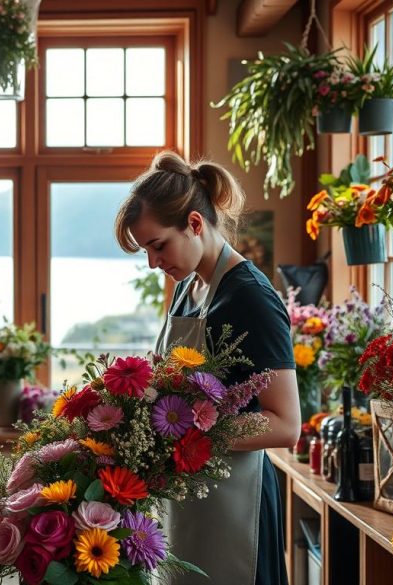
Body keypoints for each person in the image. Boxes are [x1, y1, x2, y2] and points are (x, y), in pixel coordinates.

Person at [114, 151, 300, 585]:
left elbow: (287, 424)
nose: (153, 263)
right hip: (191, 504)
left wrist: (188, 436)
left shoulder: (251, 297)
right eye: (146, 251)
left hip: (238, 509)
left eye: (158, 245)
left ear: (194, 224)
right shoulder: (189, 288)